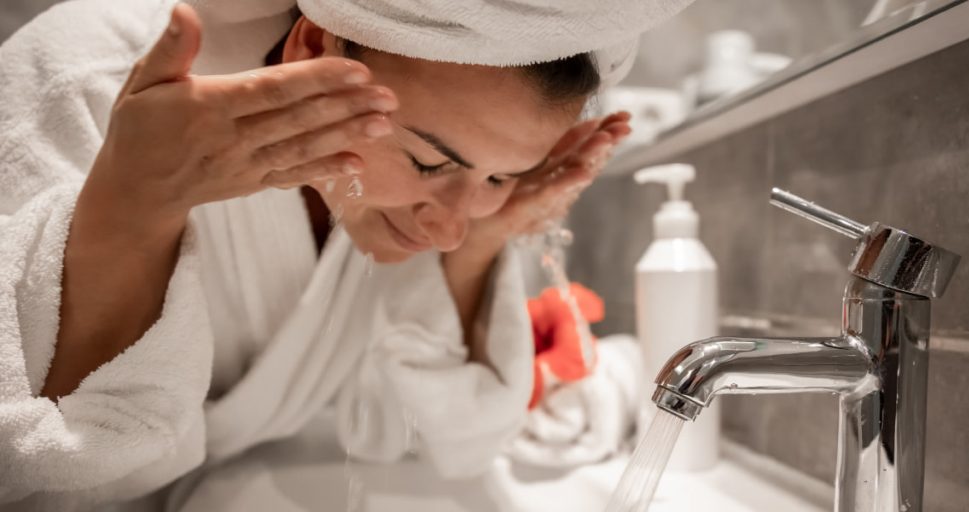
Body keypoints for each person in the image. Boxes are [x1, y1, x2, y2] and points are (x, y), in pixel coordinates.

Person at [0, 0, 692, 509]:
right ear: (310, 49)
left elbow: (443, 437)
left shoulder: (403, 207)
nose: (450, 225)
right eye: (428, 161)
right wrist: (131, 209)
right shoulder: (90, 77)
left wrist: (484, 239)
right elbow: (29, 464)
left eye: (499, 176)